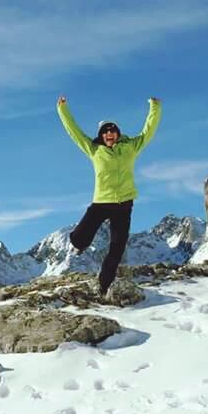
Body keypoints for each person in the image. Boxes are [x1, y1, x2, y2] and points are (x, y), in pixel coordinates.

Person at [56, 95, 162, 295]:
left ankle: (103, 286)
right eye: (105, 132)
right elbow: (74, 132)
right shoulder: (94, 150)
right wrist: (63, 109)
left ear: (118, 133)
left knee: (117, 248)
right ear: (101, 136)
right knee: (79, 239)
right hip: (101, 202)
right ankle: (79, 245)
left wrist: (154, 107)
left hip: (124, 205)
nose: (109, 134)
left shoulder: (130, 147)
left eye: (112, 130)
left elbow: (149, 131)